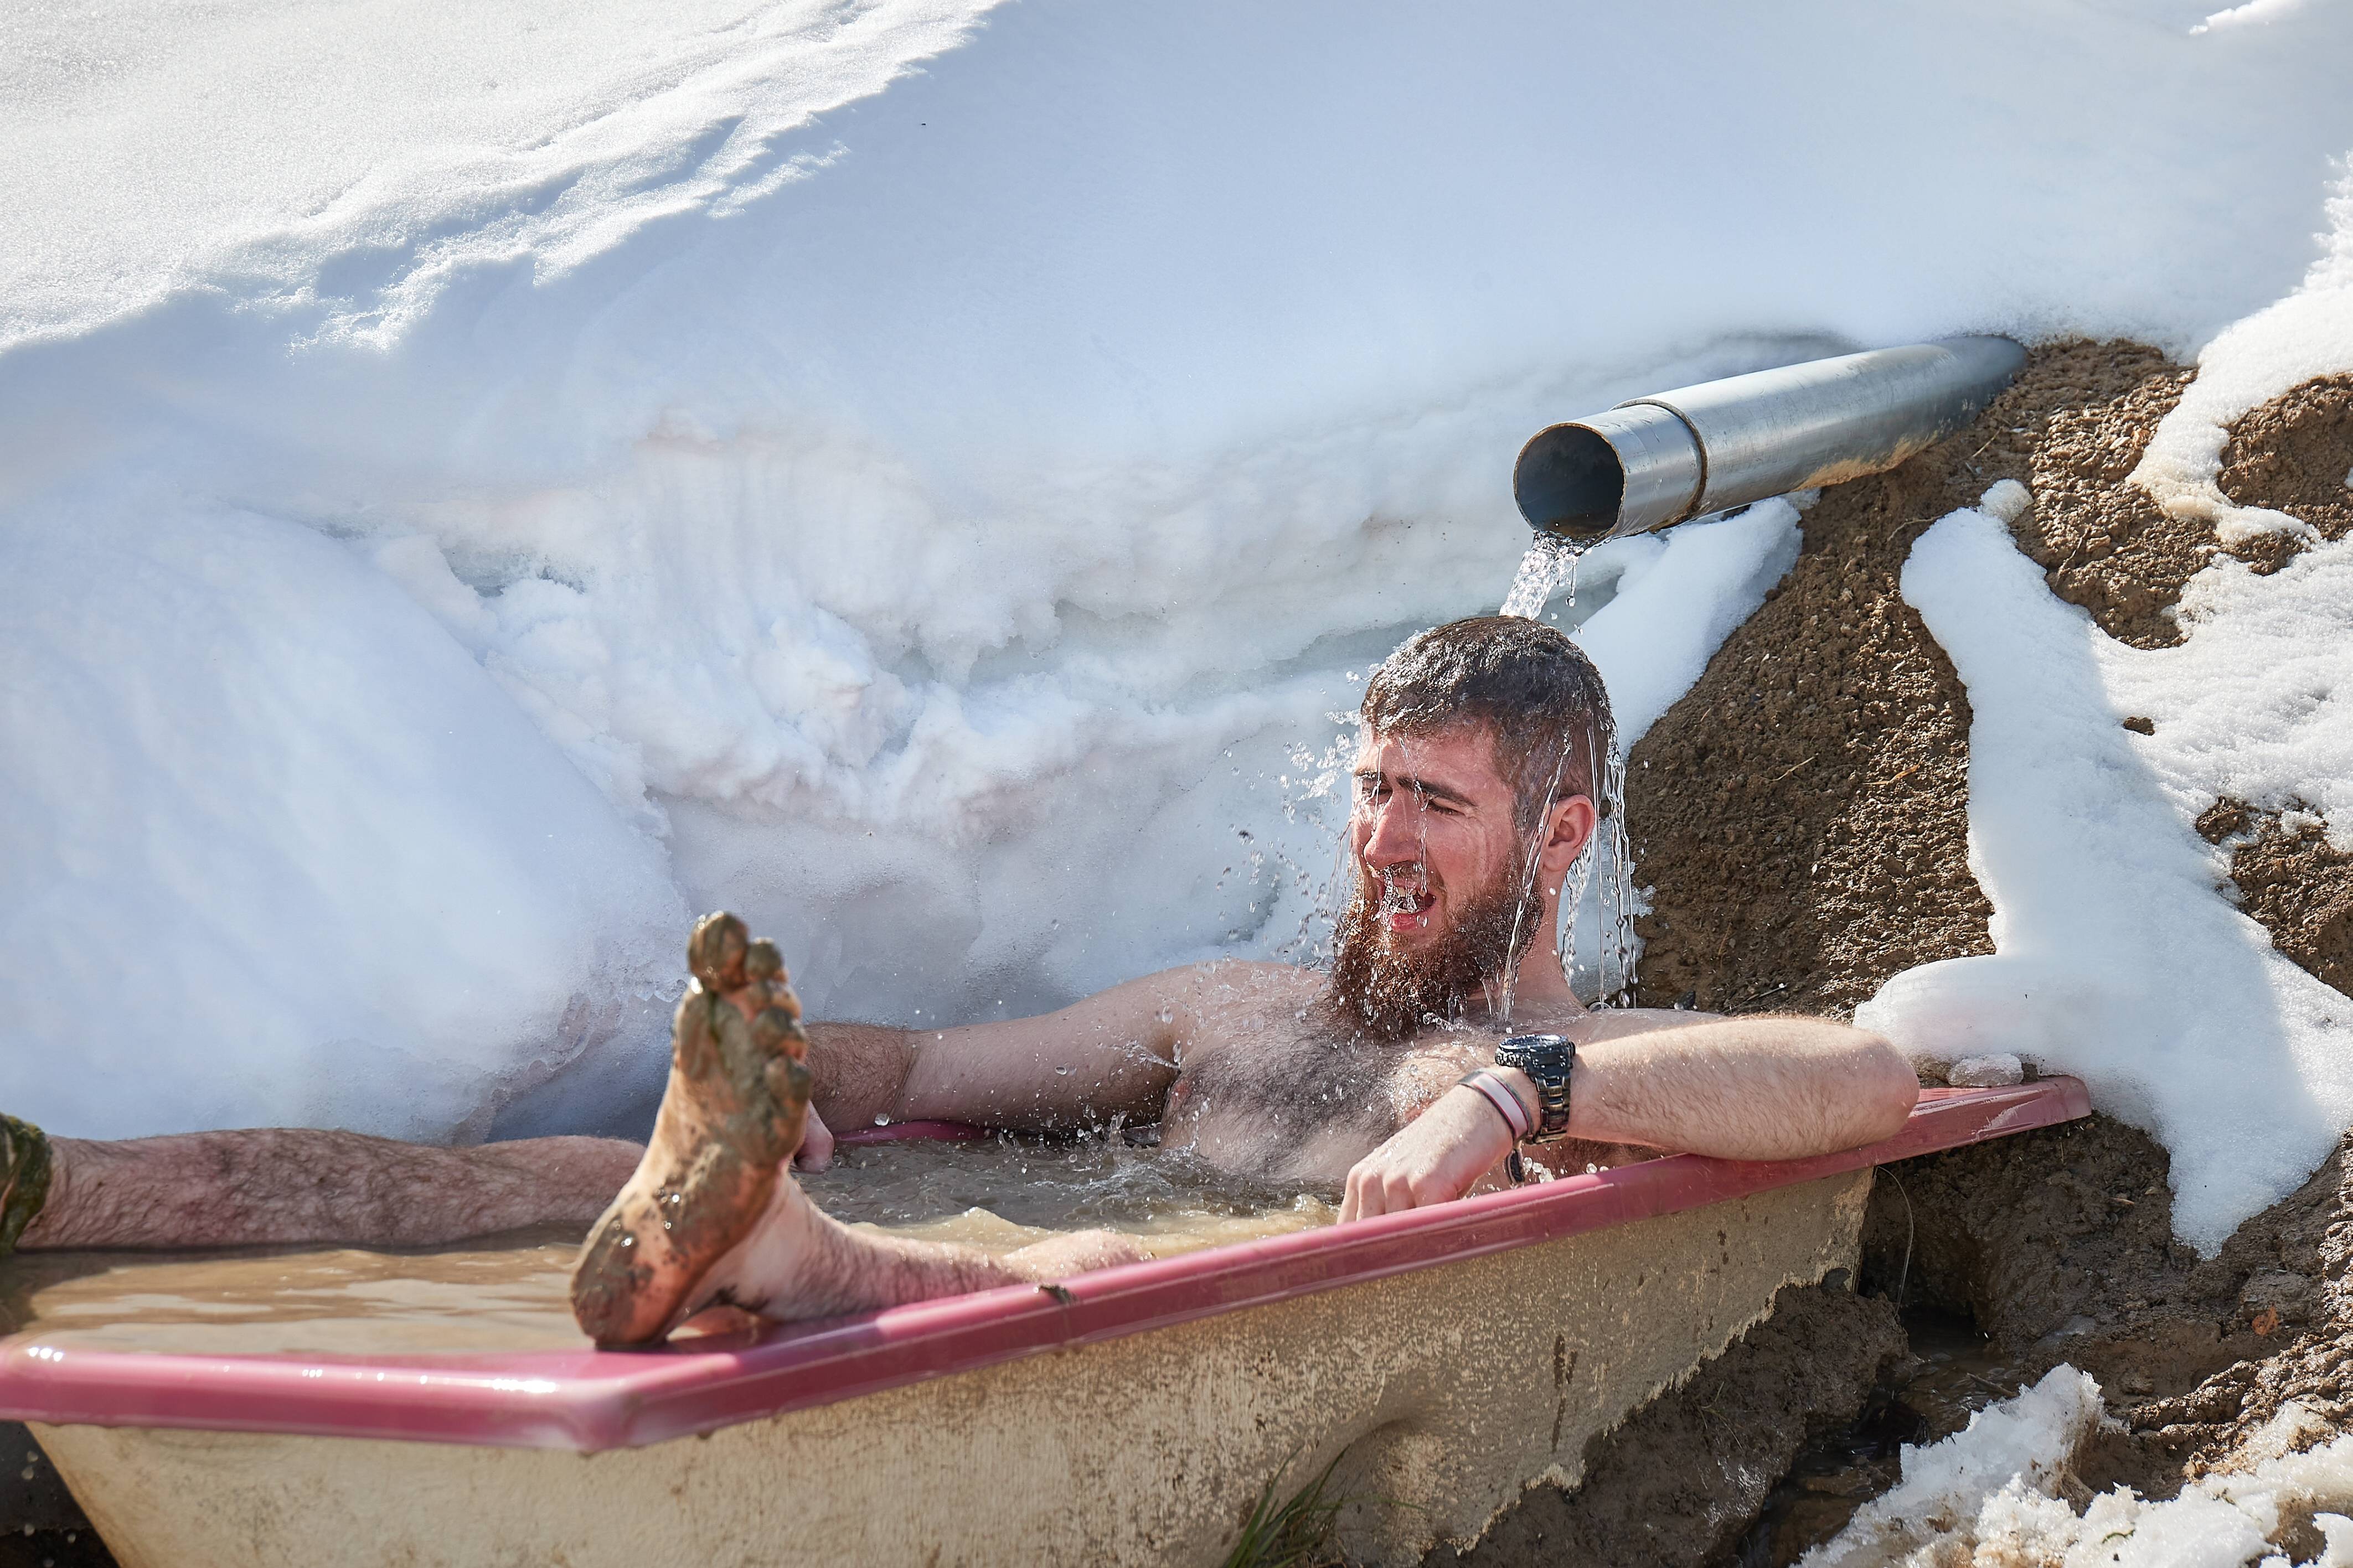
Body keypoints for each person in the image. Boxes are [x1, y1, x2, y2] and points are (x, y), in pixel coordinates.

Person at [3, 617, 1919, 1347]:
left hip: (1148, 1312)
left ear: (1562, 836)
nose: (1377, 839)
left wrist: (1519, 1093)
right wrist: (751, 1053)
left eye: (1434, 802)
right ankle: (85, 1184)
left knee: (1132, 1270)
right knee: (533, 1183)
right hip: (990, 1222)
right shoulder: (1234, 1007)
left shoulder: (1611, 1052)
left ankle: (799, 1257)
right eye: (1366, 791)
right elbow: (925, 1054)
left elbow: (1862, 1082)